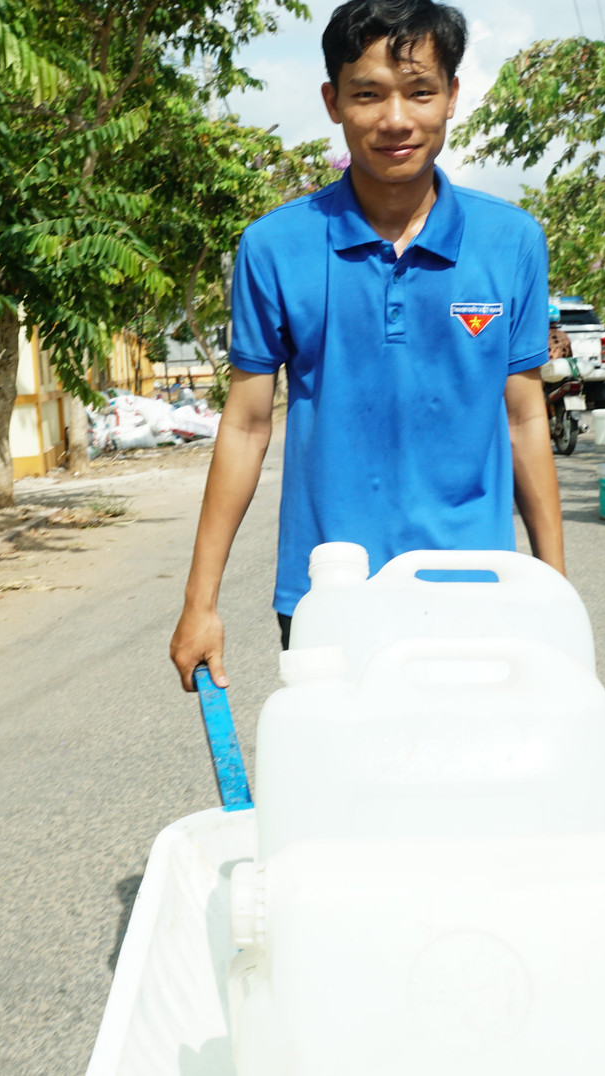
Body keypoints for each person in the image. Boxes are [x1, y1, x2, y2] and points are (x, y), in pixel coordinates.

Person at [169, 0, 563, 690]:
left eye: (419, 91)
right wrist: (199, 603)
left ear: (451, 99)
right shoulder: (276, 246)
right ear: (333, 101)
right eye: (368, 94)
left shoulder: (512, 240)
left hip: (476, 588)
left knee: (469, 786)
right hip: (329, 593)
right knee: (339, 789)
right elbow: (245, 423)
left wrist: (555, 593)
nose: (396, 120)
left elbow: (524, 416)